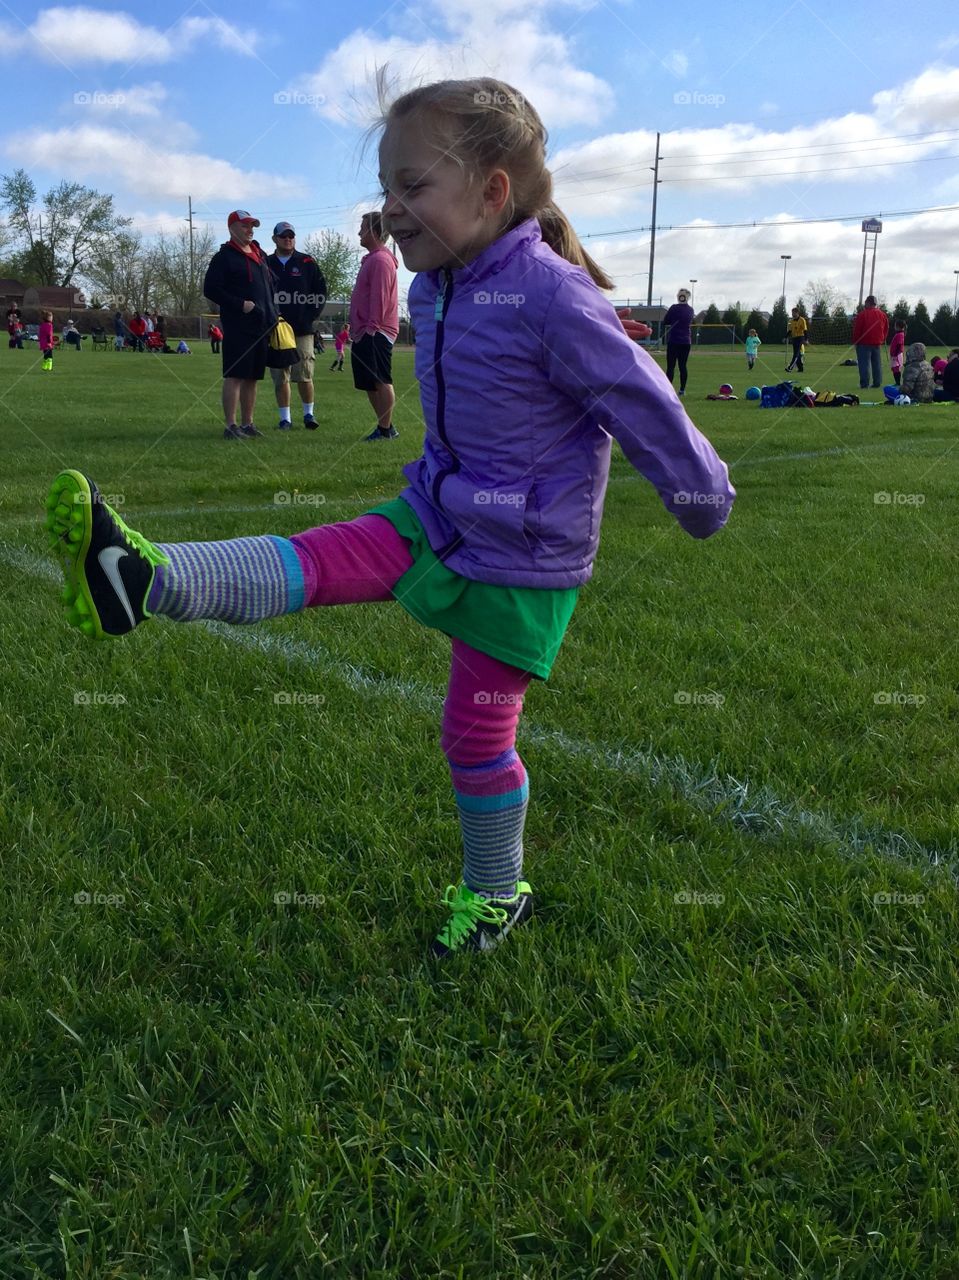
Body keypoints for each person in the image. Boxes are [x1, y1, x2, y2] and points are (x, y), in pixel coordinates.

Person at [44, 76, 734, 958]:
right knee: (320, 557)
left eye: (414, 187)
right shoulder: (441, 284)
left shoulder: (552, 295)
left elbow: (640, 401)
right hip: (433, 511)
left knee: (474, 735)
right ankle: (144, 577)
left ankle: (496, 894)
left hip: (520, 559)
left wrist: (702, 498)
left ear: (492, 192)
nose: (392, 209)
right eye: (386, 188)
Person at [203, 210, 279, 440]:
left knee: (253, 377)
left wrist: (274, 312)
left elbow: (271, 285)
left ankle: (248, 423)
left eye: (252, 225)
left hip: (261, 324)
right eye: (245, 225)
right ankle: (231, 426)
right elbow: (211, 289)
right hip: (238, 325)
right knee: (235, 374)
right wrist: (239, 304)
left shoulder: (259, 254)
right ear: (232, 228)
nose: (250, 230)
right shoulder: (224, 257)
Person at [266, 221, 327, 430]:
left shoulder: (307, 262)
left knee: (304, 372)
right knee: (280, 375)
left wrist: (310, 316)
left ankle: (309, 415)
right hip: (276, 330)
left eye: (291, 235)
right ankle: (285, 419)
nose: (288, 239)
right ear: (275, 238)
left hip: (302, 329)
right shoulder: (265, 263)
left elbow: (320, 291)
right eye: (283, 236)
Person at [350, 211, 399, 439]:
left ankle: (385, 429)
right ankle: (385, 426)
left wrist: (371, 329)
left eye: (363, 227)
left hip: (375, 332)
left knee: (380, 379)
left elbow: (380, 298)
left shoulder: (380, 260)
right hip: (364, 332)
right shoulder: (372, 259)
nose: (360, 232)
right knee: (370, 382)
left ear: (375, 230)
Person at [661, 288, 694, 397]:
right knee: (682, 366)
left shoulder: (674, 308)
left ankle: (668, 390)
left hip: (674, 341)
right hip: (686, 341)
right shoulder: (691, 310)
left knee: (671, 366)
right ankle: (682, 390)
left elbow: (666, 321)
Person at [851, 295, 889, 389]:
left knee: (864, 364)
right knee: (877, 364)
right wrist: (883, 338)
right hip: (877, 343)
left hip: (864, 343)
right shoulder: (882, 315)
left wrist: (855, 341)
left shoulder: (862, 314)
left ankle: (865, 384)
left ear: (868, 303)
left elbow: (857, 329)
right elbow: (886, 328)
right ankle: (877, 382)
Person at [784, 307, 807, 372]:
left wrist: (806, 339)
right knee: (797, 353)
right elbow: (790, 331)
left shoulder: (802, 320)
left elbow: (805, 330)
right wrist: (785, 337)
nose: (793, 314)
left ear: (797, 313)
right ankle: (800, 368)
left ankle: (790, 368)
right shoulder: (791, 321)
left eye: (794, 313)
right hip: (794, 338)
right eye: (792, 313)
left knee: (796, 353)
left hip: (800, 338)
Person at [889, 320, 905, 386]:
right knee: (894, 368)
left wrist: (895, 355)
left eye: (895, 325)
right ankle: (897, 382)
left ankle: (898, 383)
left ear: (898, 326)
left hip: (897, 354)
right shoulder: (899, 334)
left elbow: (899, 345)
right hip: (896, 354)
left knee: (896, 368)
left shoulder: (899, 335)